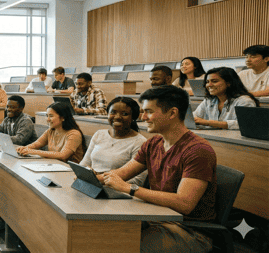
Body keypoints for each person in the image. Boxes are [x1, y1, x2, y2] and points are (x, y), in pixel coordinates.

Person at [99, 85, 216, 253]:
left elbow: (184, 203)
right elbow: (122, 173)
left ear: (172, 113)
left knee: (112, 245)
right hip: (156, 220)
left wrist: (130, 189)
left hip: (189, 231)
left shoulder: (198, 150)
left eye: (149, 111)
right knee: (94, 233)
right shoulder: (153, 143)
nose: (143, 117)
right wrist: (92, 178)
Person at [0, 95, 38, 232]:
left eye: (12, 107)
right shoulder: (7, 119)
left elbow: (20, 140)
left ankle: (1, 218)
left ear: (21, 108)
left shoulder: (26, 121)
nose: (8, 109)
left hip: (27, 159)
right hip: (12, 155)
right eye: (8, 106)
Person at [79, 97, 148, 186]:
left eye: (124, 114)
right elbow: (84, 164)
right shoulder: (99, 134)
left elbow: (137, 181)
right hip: (91, 184)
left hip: (116, 191)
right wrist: (88, 173)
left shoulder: (140, 142)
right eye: (113, 112)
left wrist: (100, 180)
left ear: (133, 117)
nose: (117, 117)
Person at [16, 102, 86, 163]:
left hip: (69, 170)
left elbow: (63, 155)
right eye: (47, 116)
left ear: (63, 117)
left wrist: (32, 151)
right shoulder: (51, 130)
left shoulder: (74, 134)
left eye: (51, 116)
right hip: (55, 165)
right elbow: (37, 144)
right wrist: (24, 148)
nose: (48, 119)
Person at [193, 67, 259, 130]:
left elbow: (245, 124)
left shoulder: (245, 101)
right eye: (207, 82)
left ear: (229, 83)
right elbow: (195, 116)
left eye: (214, 81)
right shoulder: (209, 100)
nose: (209, 85)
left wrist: (207, 122)